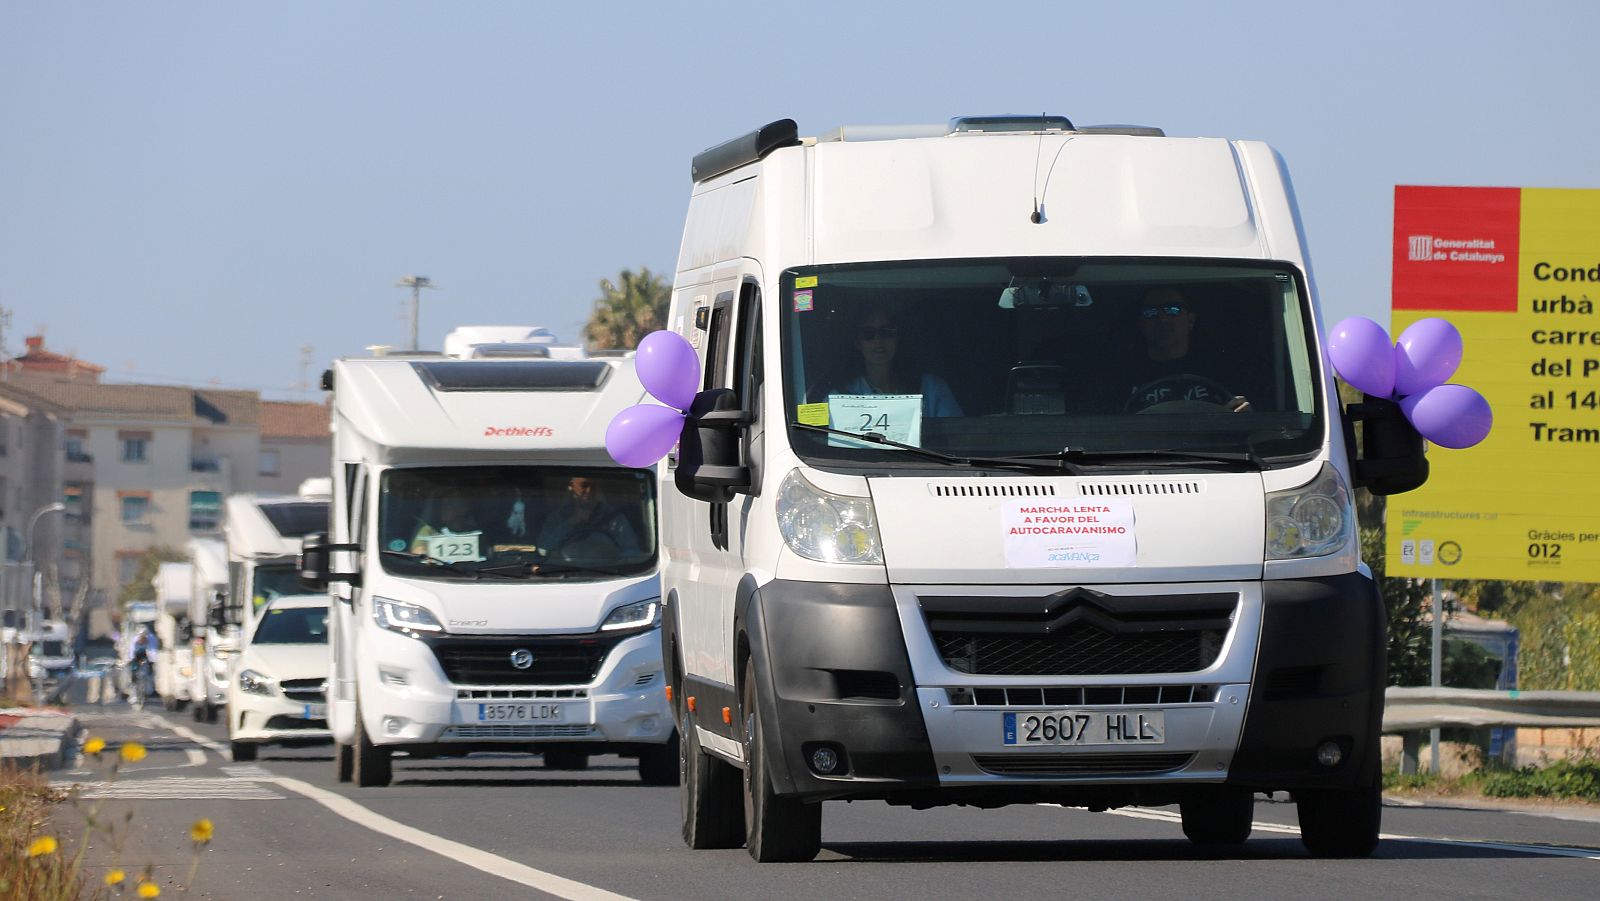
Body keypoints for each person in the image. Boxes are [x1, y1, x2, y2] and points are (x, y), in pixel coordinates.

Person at [1124, 286, 1246, 411]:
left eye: (1173, 310)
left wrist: (1246, 414)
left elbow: (1241, 412)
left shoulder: (1222, 369)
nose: (1162, 319)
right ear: (1142, 324)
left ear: (1191, 320)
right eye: (1151, 312)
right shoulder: (1122, 376)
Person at [829, 304, 963, 417]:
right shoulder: (841, 395)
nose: (878, 341)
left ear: (898, 337)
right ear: (857, 342)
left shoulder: (932, 388)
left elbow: (956, 440)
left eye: (887, 331)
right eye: (868, 334)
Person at [537, 475, 642, 560]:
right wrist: (572, 522)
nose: (589, 491)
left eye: (594, 486)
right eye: (584, 485)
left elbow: (632, 550)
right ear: (571, 485)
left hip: (608, 572)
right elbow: (543, 549)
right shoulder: (558, 517)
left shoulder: (614, 518)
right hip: (566, 571)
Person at [410, 493, 484, 556]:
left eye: (459, 505)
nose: (455, 510)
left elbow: (488, 555)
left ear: (466, 508)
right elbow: (418, 554)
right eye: (447, 506)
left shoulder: (477, 533)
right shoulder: (428, 531)